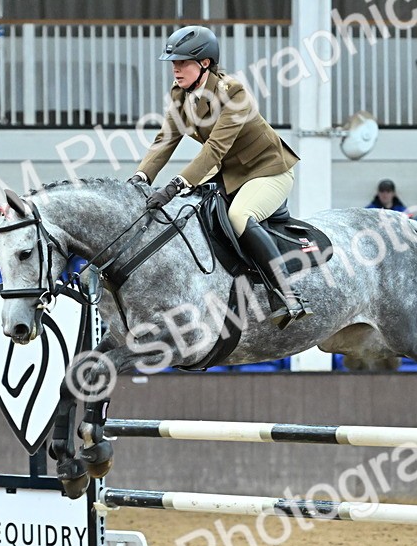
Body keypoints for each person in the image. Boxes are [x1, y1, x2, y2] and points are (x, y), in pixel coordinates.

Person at [128, 25, 307, 329]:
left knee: (239, 215)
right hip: (232, 175)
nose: (176, 70)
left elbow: (215, 149)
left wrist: (175, 185)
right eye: (174, 63)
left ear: (205, 64)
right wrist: (141, 178)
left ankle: (288, 294)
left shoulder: (233, 93)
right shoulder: (180, 95)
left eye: (182, 63)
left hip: (268, 169)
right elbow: (165, 139)